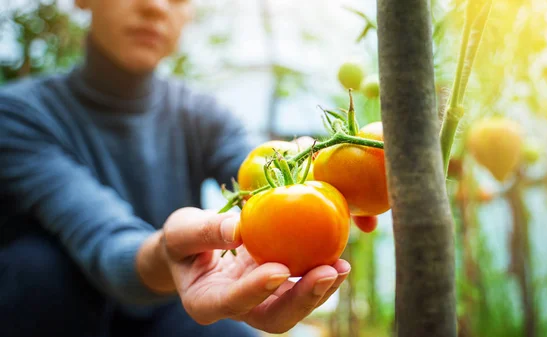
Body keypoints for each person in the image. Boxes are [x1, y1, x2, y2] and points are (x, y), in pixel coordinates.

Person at [0, 1, 351, 336]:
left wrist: (354, 178)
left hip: (166, 309)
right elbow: (104, 241)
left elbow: (265, 174)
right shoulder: (17, 116)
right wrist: (168, 255)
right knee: (36, 269)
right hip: (54, 313)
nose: (155, 5)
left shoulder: (202, 116)